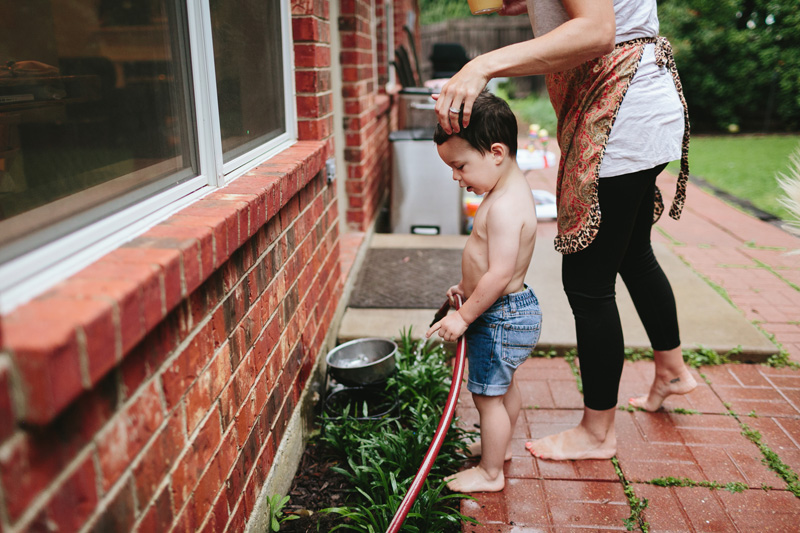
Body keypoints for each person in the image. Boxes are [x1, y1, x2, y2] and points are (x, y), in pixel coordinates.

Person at [433, 0, 697, 462]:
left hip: (620, 110)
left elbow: (596, 30)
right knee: (633, 253)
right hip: (632, 103)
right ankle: (672, 371)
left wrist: (483, 64)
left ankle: (597, 432)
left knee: (588, 283)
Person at [426, 92, 541, 492]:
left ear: (496, 152)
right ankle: (499, 448)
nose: (457, 177)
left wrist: (464, 315)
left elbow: (499, 273)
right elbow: (486, 268)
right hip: (505, 308)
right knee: (502, 386)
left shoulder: (507, 206)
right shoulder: (504, 191)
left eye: (460, 166)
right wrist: (465, 289)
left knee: (487, 397)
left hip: (500, 314)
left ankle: (492, 473)